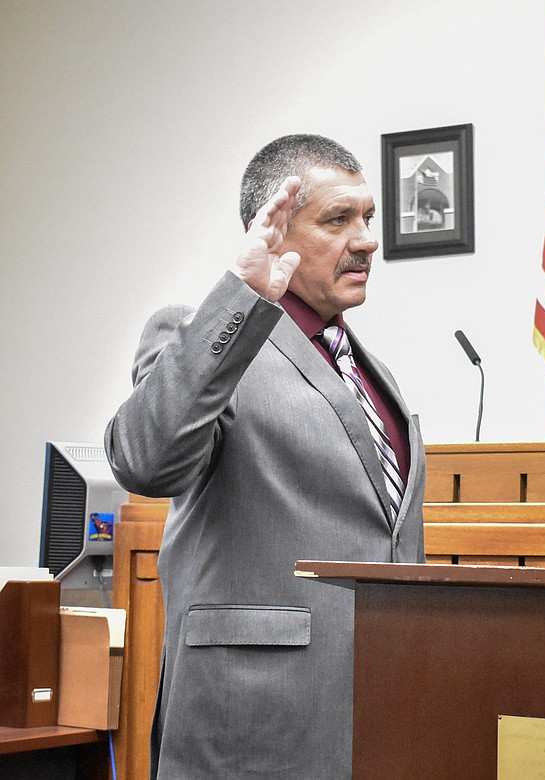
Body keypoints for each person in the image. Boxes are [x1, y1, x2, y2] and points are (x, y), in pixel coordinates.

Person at [105, 134, 425, 779]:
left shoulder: (369, 369)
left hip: (377, 712)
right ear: (275, 233)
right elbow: (143, 461)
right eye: (338, 220)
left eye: (368, 218)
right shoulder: (201, 333)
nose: (366, 239)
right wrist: (242, 297)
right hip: (251, 722)